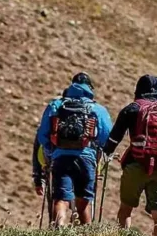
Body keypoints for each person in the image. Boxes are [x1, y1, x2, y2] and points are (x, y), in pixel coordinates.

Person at [103, 74, 157, 236]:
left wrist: (106, 154)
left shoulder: (132, 109)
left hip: (136, 164)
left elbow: (114, 138)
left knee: (126, 208)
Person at [35, 72, 113, 227]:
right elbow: (106, 137)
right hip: (86, 157)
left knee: (61, 199)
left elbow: (42, 135)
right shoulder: (98, 109)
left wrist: (52, 151)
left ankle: (59, 234)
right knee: (83, 201)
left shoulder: (56, 105)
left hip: (61, 156)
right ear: (90, 88)